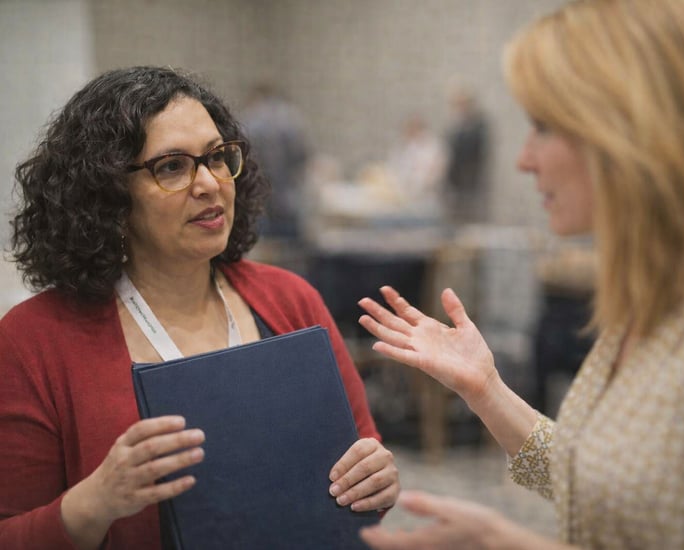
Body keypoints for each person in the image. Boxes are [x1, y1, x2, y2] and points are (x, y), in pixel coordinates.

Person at [356, 0, 684, 548]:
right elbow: (608, 489)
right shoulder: (656, 304)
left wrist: (507, 542)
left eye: (544, 128)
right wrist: (486, 388)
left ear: (635, 132)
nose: (525, 160)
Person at [0, 66, 399, 550]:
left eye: (217, 157)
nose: (210, 183)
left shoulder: (290, 300)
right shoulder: (34, 340)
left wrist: (375, 479)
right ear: (108, 194)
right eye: (172, 167)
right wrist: (96, 501)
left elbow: (362, 455)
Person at [240, 82, 310, 240]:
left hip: (260, 199)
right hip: (289, 199)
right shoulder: (292, 118)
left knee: (264, 243)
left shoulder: (251, 119)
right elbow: (302, 157)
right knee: (290, 245)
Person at [444, 87, 489, 224]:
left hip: (470, 178)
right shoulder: (456, 125)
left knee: (470, 216)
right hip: (455, 180)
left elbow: (474, 149)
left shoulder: (477, 124)